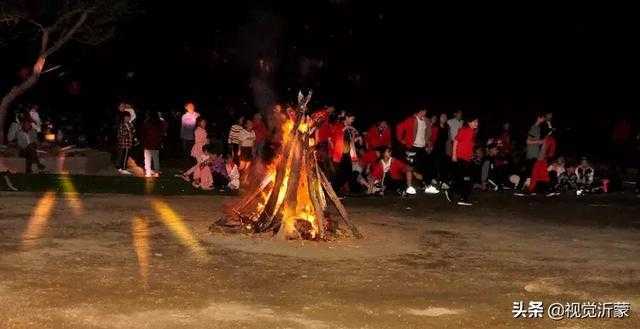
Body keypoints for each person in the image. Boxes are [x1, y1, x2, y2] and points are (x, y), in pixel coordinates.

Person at [396, 109, 439, 194]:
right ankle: (409, 187)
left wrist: (428, 142)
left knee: (426, 166)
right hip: (412, 146)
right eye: (424, 111)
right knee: (410, 166)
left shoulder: (426, 120)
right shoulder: (411, 120)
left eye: (426, 111)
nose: (425, 113)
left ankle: (427, 186)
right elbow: (399, 127)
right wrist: (401, 140)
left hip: (422, 147)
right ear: (420, 111)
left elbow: (428, 132)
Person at [448, 116, 479, 206]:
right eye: (475, 121)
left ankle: (463, 196)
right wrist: (454, 155)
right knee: (464, 179)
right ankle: (461, 196)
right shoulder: (464, 130)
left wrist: (472, 155)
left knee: (466, 179)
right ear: (469, 122)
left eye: (477, 122)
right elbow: (455, 141)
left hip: (467, 159)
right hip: (460, 158)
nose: (476, 123)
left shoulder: (473, 132)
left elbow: (469, 145)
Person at [330, 112, 360, 194]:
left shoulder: (349, 130)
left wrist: (355, 136)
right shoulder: (339, 125)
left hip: (347, 153)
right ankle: (334, 191)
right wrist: (347, 127)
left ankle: (336, 190)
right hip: (340, 153)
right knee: (339, 174)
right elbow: (336, 135)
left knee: (348, 172)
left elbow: (351, 141)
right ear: (347, 117)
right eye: (351, 119)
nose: (352, 121)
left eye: (353, 119)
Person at [141, 112, 164, 178]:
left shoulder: (146, 123)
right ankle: (156, 172)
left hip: (148, 143)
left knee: (147, 158)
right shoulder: (159, 123)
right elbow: (161, 134)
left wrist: (143, 142)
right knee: (156, 158)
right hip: (156, 143)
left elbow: (143, 133)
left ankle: (148, 172)